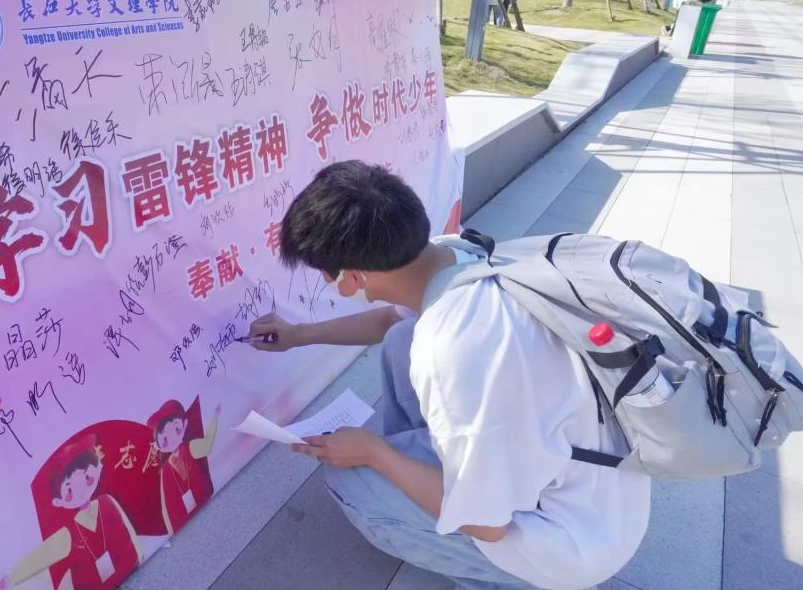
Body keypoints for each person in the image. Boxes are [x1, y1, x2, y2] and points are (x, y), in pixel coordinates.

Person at [247, 161, 650, 590]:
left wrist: (374, 454)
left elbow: (487, 525)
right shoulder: (456, 254)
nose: (326, 281)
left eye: (324, 273)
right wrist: (299, 335)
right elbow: (388, 320)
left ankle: (513, 579)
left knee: (351, 482)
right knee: (402, 337)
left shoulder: (450, 353)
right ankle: (446, 468)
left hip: (571, 541)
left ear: (354, 276)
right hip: (602, 491)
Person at [0, 435, 143, 590]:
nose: (81, 491)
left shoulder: (107, 502)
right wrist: (11, 578)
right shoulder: (68, 534)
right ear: (59, 501)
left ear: (98, 468)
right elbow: (42, 556)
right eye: (70, 490)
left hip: (132, 574)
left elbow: (130, 532)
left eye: (87, 477)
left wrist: (140, 557)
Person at [147, 400, 221, 535]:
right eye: (165, 439)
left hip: (207, 503)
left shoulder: (190, 448)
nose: (172, 439)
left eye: (177, 430)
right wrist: (172, 533)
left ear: (185, 424)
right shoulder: (165, 470)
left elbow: (207, 445)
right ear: (157, 445)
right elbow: (166, 506)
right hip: (186, 524)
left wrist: (215, 418)